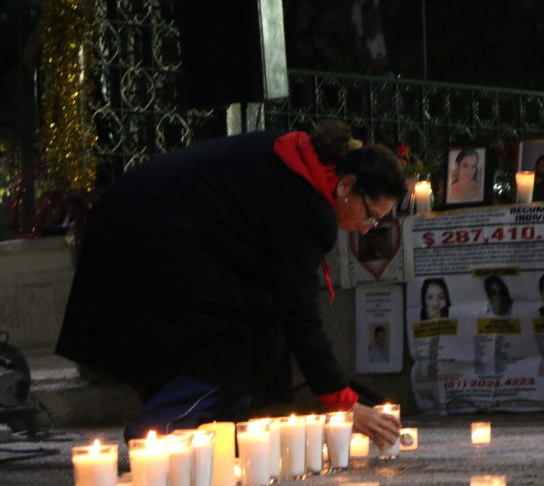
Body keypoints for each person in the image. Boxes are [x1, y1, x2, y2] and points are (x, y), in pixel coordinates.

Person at [56, 120, 404, 446]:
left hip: (140, 225)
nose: (365, 228)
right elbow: (299, 312)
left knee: (251, 324)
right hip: (144, 237)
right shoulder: (304, 200)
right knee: (235, 338)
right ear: (346, 186)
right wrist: (341, 402)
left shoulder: (301, 166)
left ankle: (216, 439)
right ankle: (158, 431)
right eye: (371, 216)